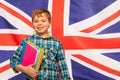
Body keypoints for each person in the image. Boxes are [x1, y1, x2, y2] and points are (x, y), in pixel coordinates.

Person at [10, 8, 71, 80]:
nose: (39, 24)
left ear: (49, 23)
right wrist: (25, 69)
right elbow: (13, 62)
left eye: (43, 21)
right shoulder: (26, 42)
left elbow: (63, 66)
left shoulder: (57, 43)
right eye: (36, 21)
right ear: (32, 24)